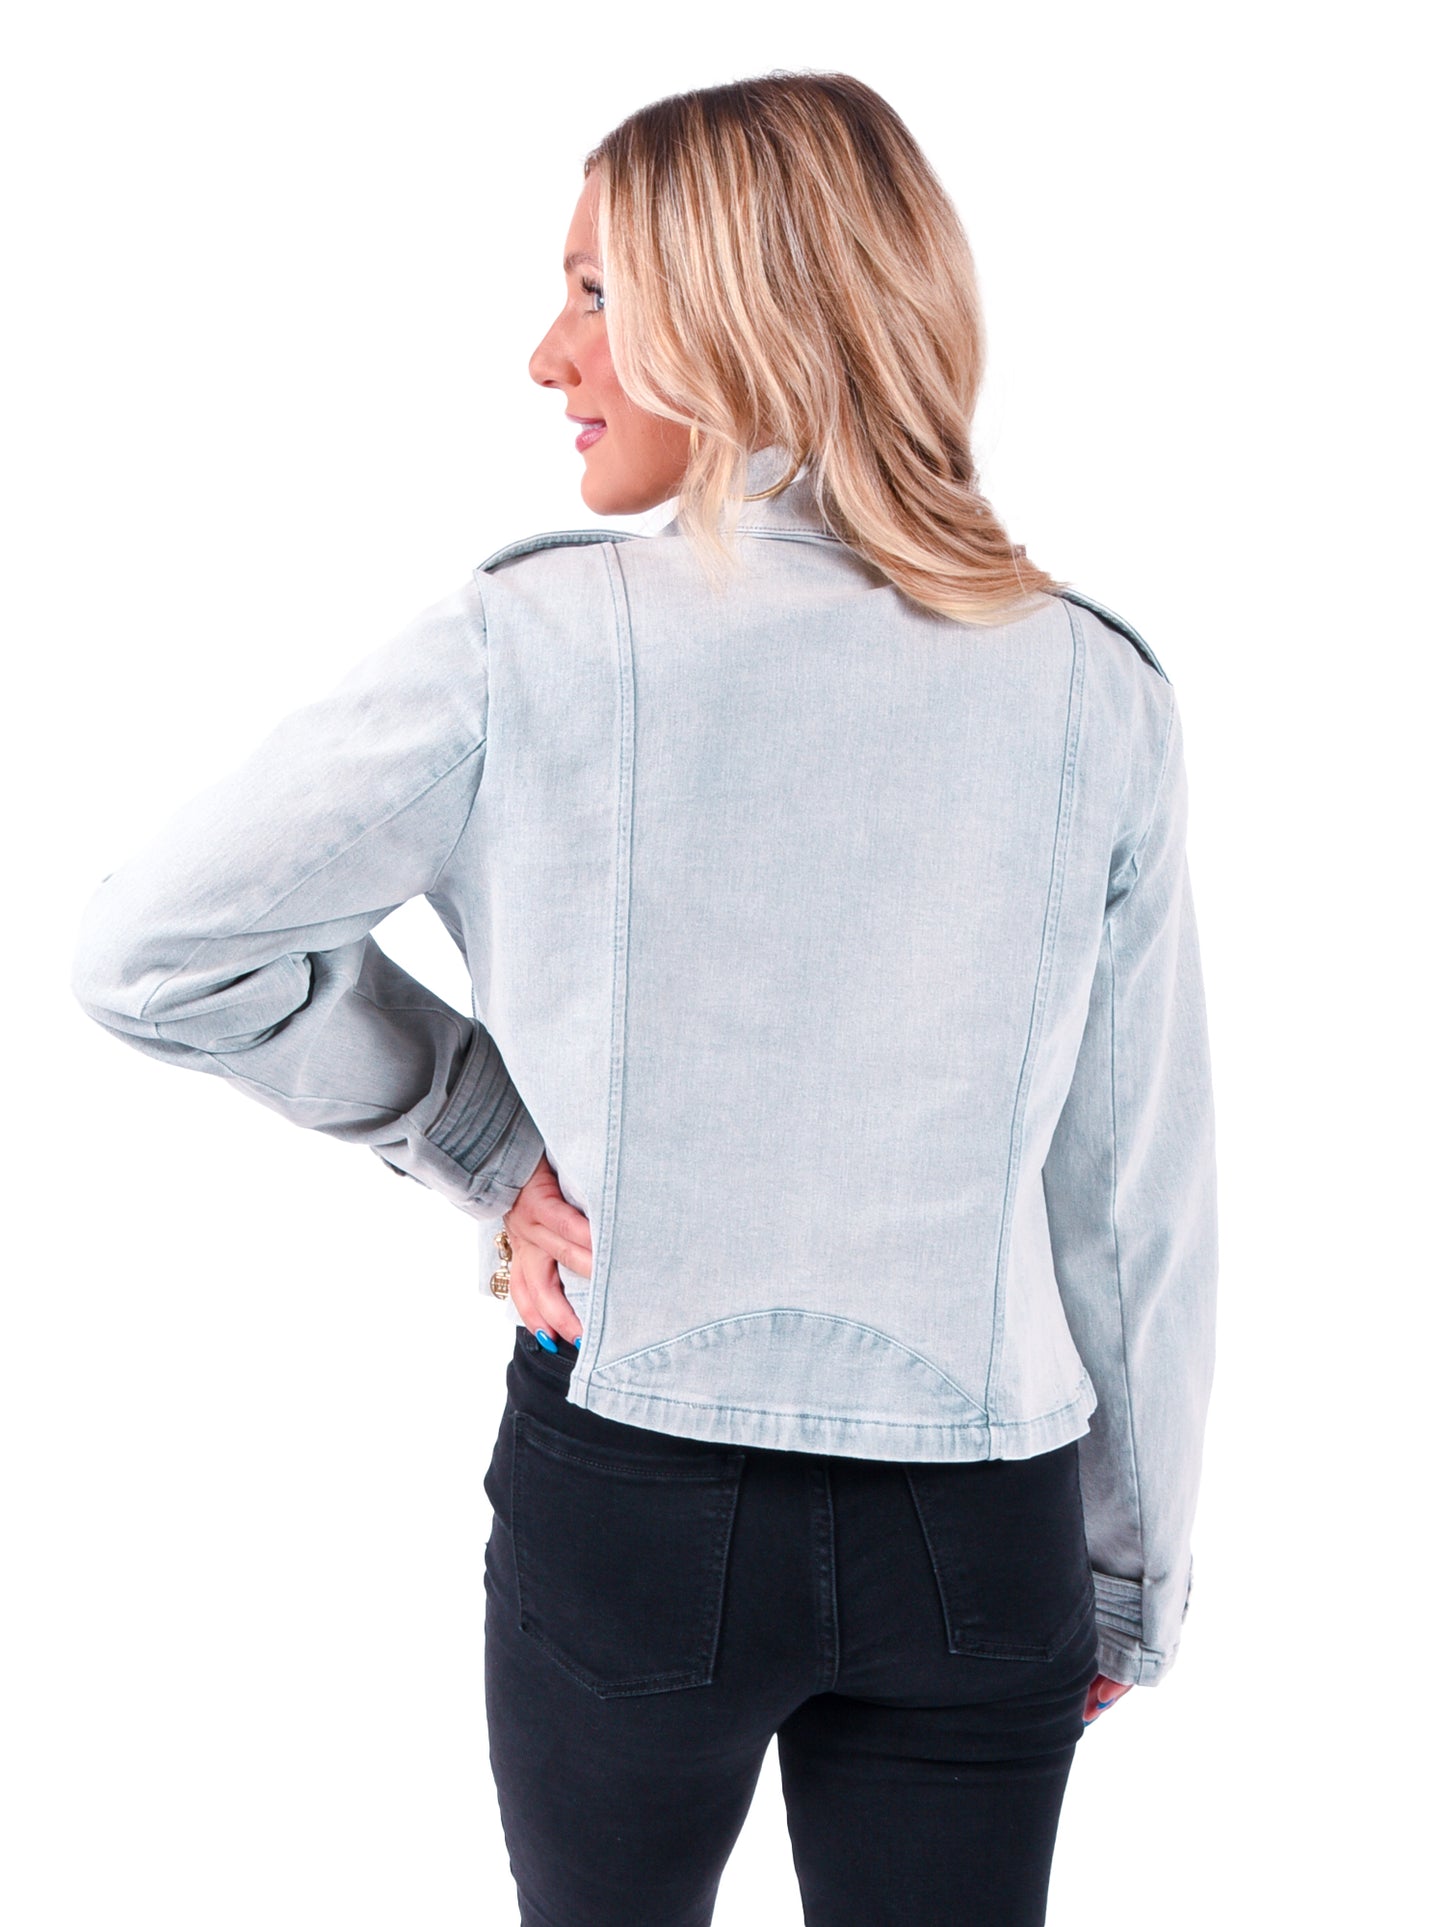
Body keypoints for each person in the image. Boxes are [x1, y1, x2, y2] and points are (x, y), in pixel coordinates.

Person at [70, 70, 1217, 1927]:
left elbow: (155, 946)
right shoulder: (1093, 686)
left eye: (599, 291)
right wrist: (1128, 1571)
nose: (549, 353)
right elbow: (1127, 1193)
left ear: (740, 309)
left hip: (637, 1483)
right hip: (978, 1519)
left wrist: (480, 1143)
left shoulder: (522, 646)